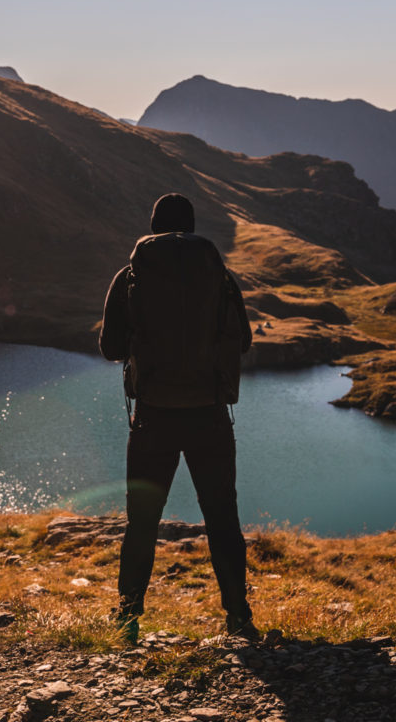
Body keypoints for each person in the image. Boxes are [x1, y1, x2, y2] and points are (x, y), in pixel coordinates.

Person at [99, 192, 256, 642]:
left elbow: (111, 348)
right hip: (209, 416)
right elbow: (242, 341)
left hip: (153, 419)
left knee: (142, 522)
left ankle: (128, 619)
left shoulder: (130, 276)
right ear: (192, 226)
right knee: (222, 517)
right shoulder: (219, 276)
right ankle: (238, 618)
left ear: (152, 227)